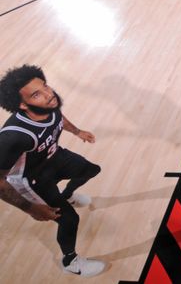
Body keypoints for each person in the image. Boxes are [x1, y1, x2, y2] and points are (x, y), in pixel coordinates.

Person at [0, 65, 105, 277]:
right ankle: (71, 262)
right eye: (37, 94)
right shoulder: (13, 137)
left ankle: (66, 195)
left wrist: (77, 131)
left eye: (45, 86)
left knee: (90, 170)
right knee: (69, 220)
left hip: (53, 157)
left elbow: (58, 117)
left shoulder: (48, 105)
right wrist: (30, 208)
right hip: (31, 180)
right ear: (22, 104)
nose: (49, 95)